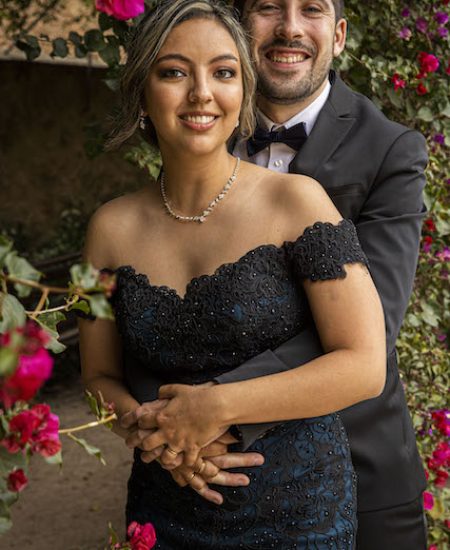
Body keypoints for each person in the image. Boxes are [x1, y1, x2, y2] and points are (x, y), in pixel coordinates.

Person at [79, 0, 387, 547]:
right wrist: (157, 433)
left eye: (223, 72)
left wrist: (215, 406)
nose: (202, 93)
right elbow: (98, 377)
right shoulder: (109, 229)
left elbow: (364, 365)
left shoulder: (299, 203)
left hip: (301, 517)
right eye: (174, 72)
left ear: (243, 90)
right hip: (163, 508)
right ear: (142, 93)